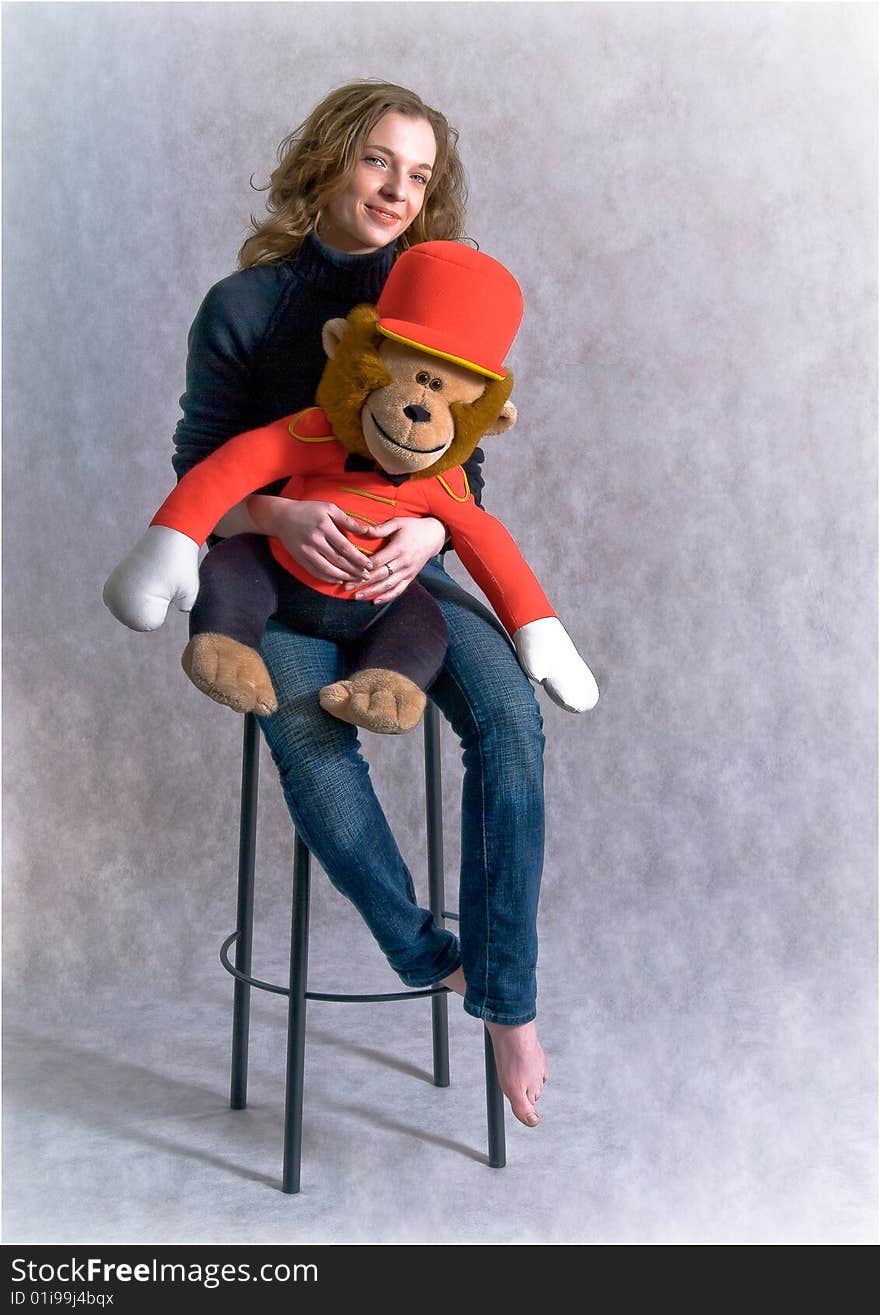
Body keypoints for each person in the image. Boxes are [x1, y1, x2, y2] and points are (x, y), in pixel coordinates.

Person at [171, 81, 549, 1127]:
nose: (397, 188)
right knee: (311, 746)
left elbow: (460, 460)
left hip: (405, 581)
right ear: (332, 158)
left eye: (419, 174)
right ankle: (430, 956)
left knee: (514, 724)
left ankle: (508, 997)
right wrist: (276, 523)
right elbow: (195, 474)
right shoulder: (243, 306)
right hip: (271, 583)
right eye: (379, 159)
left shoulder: (429, 292)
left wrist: (434, 529)